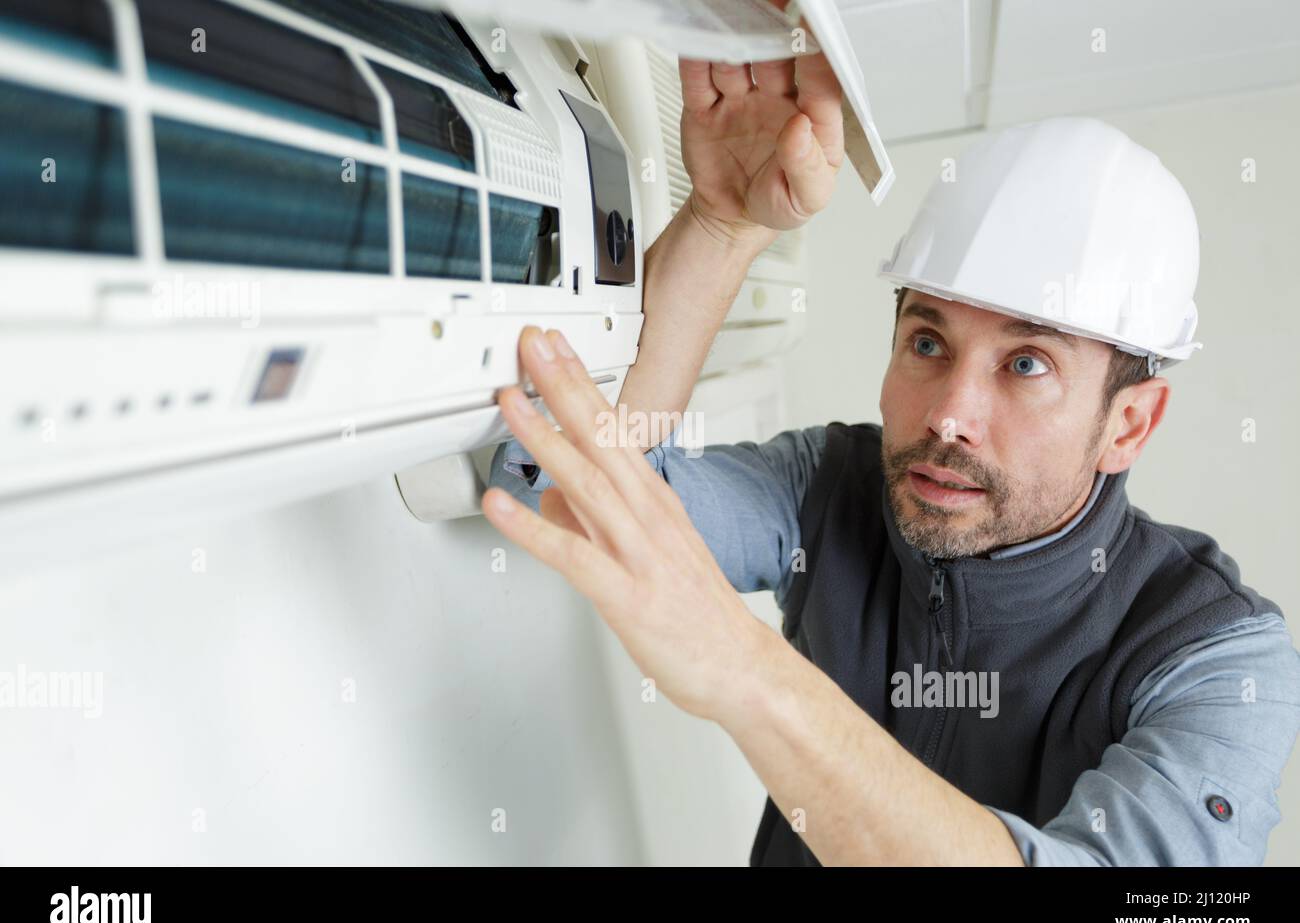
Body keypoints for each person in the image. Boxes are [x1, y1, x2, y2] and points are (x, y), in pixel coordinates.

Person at [481, 49, 1300, 866]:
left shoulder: (1218, 654)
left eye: (1025, 365)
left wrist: (746, 669)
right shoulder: (829, 489)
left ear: (1128, 425)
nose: (946, 415)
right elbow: (562, 477)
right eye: (927, 340)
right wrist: (724, 225)